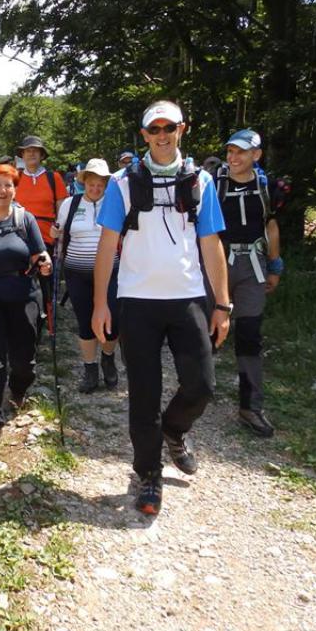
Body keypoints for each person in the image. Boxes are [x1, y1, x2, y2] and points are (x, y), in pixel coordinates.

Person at [92, 100, 231, 516]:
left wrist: (222, 304)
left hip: (187, 297)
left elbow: (211, 244)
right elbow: (106, 246)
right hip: (137, 301)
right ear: (144, 135)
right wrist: (100, 304)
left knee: (202, 385)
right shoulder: (121, 183)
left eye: (169, 127)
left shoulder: (201, 181)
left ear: (181, 129)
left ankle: (174, 429)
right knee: (144, 395)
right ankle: (148, 474)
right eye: (154, 129)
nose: (162, 135)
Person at [0, 164, 52, 447]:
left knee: (24, 359)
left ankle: (18, 389)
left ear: (15, 190)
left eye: (9, 185)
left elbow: (39, 254)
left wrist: (45, 264)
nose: (3, 190)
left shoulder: (24, 219)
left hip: (23, 294)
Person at [215, 129, 283, 437]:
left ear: (256, 155)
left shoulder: (266, 186)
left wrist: (275, 264)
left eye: (240, 152)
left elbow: (271, 224)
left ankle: (250, 407)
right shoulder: (215, 184)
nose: (233, 157)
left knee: (250, 333)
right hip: (219, 262)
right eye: (230, 151)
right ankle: (196, 393)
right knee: (208, 328)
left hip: (253, 264)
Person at [52, 158, 120, 393]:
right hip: (76, 272)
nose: (96, 188)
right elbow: (59, 230)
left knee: (113, 320)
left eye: (101, 184)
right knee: (85, 320)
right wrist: (54, 233)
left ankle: (108, 358)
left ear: (106, 185)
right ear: (85, 182)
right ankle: (90, 369)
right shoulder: (70, 204)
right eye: (92, 183)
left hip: (111, 271)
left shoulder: (115, 204)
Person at [14, 135, 68, 321]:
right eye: (27, 151)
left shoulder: (54, 178)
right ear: (22, 155)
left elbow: (62, 208)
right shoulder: (15, 178)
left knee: (46, 281)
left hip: (46, 237)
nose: (31, 154)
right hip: (19, 237)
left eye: (35, 151)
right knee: (21, 280)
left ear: (42, 155)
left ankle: (48, 317)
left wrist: (59, 231)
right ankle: (23, 316)